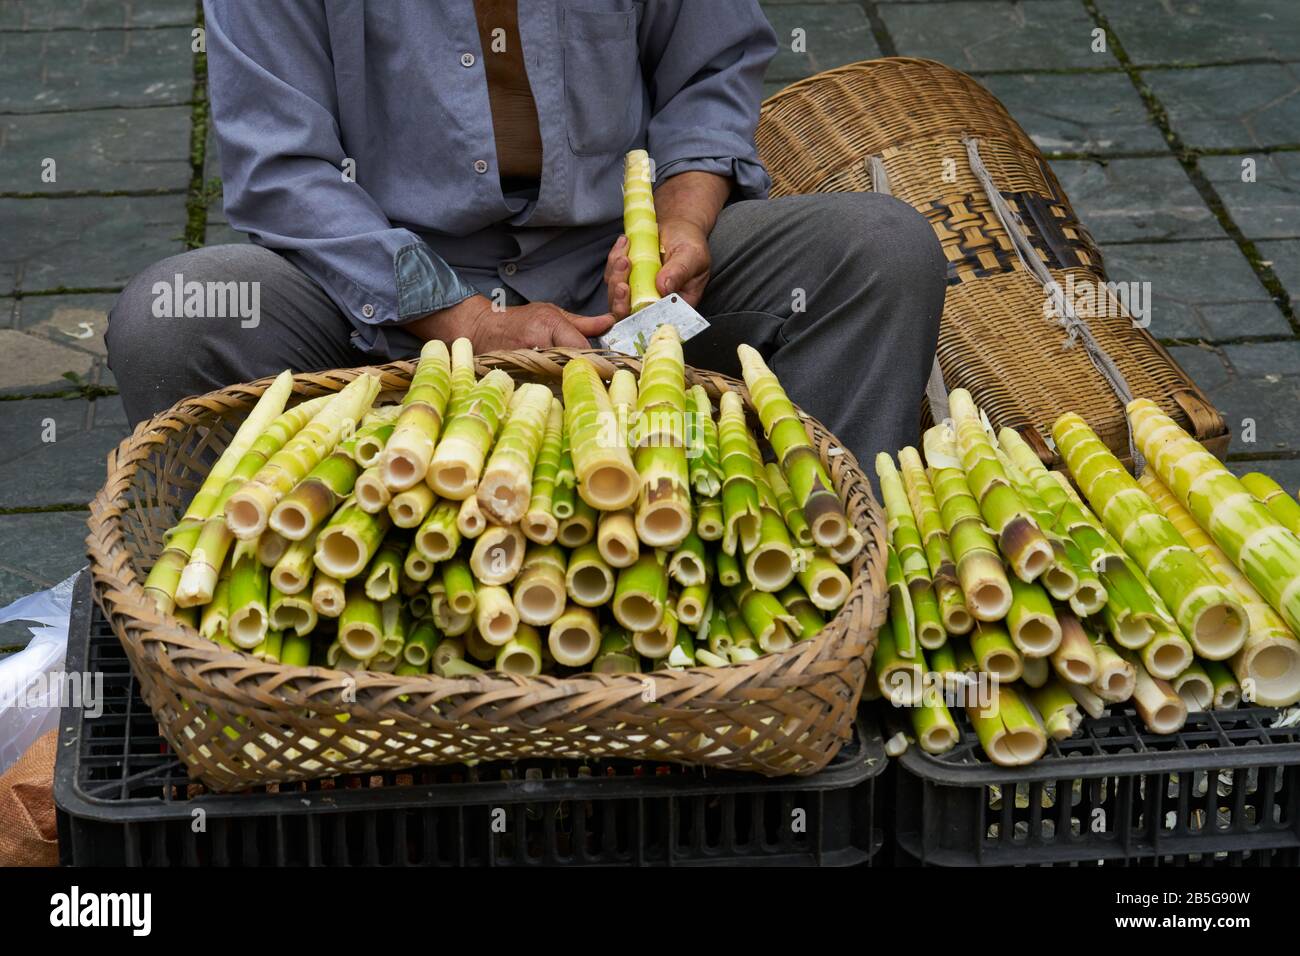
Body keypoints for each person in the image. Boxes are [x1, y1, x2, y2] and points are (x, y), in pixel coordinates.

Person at [107, 0, 944, 469]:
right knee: (175, 318)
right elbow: (282, 175)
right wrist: (468, 322)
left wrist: (685, 220)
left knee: (880, 253)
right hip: (379, 298)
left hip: (616, 279)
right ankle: (250, 636)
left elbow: (710, 72)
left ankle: (832, 593)